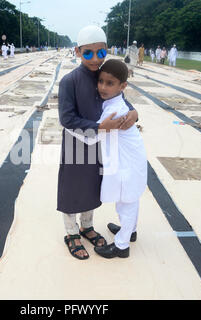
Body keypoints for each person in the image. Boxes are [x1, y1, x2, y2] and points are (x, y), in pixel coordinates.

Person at [58, 25, 138, 260]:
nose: (95, 58)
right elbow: (67, 118)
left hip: (99, 145)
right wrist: (100, 127)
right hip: (76, 144)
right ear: (77, 52)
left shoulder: (105, 76)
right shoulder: (69, 81)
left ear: (106, 51)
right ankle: (71, 232)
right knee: (72, 188)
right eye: (88, 53)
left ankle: (87, 226)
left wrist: (134, 113)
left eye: (100, 53)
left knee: (92, 186)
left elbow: (121, 99)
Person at [69, 59, 147, 259]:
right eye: (101, 81)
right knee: (129, 198)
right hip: (127, 160)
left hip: (128, 163)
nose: (103, 87)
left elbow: (95, 131)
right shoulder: (114, 102)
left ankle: (122, 246)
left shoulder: (116, 110)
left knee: (127, 201)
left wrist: (71, 128)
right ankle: (130, 231)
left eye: (109, 83)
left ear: (123, 86)